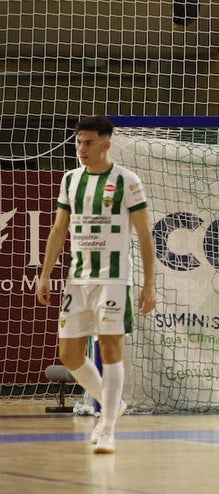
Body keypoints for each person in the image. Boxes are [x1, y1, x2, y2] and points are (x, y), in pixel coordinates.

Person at [36, 116, 157, 454]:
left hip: (114, 279)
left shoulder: (127, 181)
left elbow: (145, 236)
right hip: (78, 279)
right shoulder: (70, 180)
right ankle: (111, 402)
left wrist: (149, 284)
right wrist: (46, 274)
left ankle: (107, 426)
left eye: (88, 143)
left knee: (109, 348)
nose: (82, 149)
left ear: (106, 144)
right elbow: (59, 230)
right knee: (69, 354)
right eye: (78, 142)